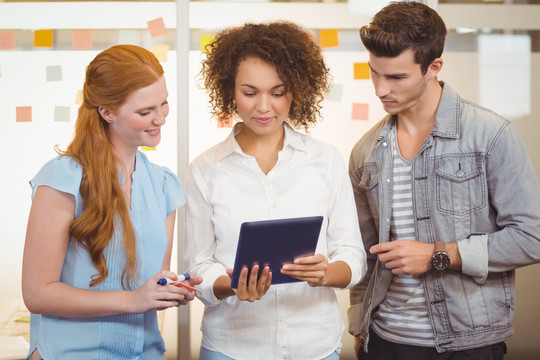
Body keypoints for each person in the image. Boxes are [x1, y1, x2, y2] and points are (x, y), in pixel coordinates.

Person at [347, 1, 540, 359]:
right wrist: (361, 328)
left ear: (433, 67)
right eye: (375, 72)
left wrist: (439, 255)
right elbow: (367, 257)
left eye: (397, 77)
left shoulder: (491, 134)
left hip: (469, 345)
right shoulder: (365, 152)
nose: (380, 89)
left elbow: (532, 238)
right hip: (385, 341)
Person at [184, 21, 367, 360]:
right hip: (232, 347)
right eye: (250, 93)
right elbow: (198, 265)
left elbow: (352, 255)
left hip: (315, 345)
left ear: (296, 90)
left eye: (277, 92)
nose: (263, 107)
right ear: (230, 91)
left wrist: (326, 273)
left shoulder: (324, 160)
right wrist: (232, 286)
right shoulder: (205, 170)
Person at [21, 44, 202, 360]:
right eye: (145, 112)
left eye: (164, 104)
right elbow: (37, 293)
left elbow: (154, 282)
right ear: (107, 112)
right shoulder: (63, 178)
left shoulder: (164, 185)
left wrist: (170, 290)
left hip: (145, 352)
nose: (159, 118)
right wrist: (132, 300)